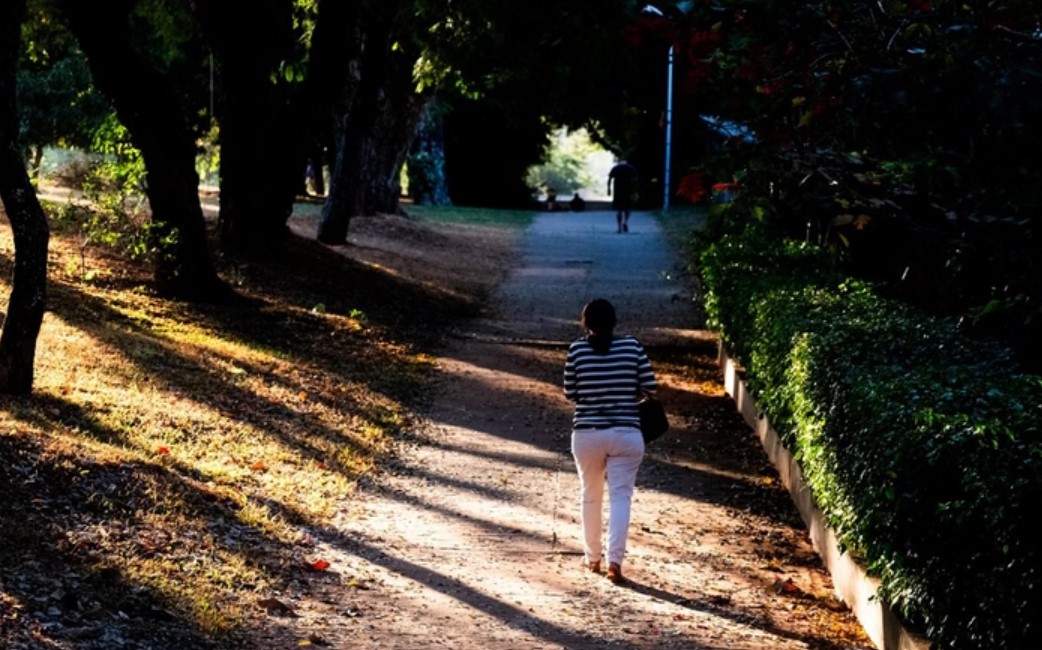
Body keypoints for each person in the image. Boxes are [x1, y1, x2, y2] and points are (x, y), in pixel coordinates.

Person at [563, 298, 657, 584]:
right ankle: (615, 563)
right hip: (627, 434)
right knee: (620, 497)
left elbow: (570, 392)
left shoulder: (577, 350)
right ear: (614, 321)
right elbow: (651, 387)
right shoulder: (632, 347)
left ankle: (593, 559)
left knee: (590, 496)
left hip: (588, 434)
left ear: (586, 323)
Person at [607, 159, 637, 233]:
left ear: (619, 162)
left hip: (618, 191)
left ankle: (619, 227)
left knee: (619, 210)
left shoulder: (616, 168)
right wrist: (634, 190)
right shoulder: (631, 168)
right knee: (628, 208)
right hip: (628, 191)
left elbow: (610, 179)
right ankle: (625, 222)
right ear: (626, 161)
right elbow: (635, 180)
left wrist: (609, 189)